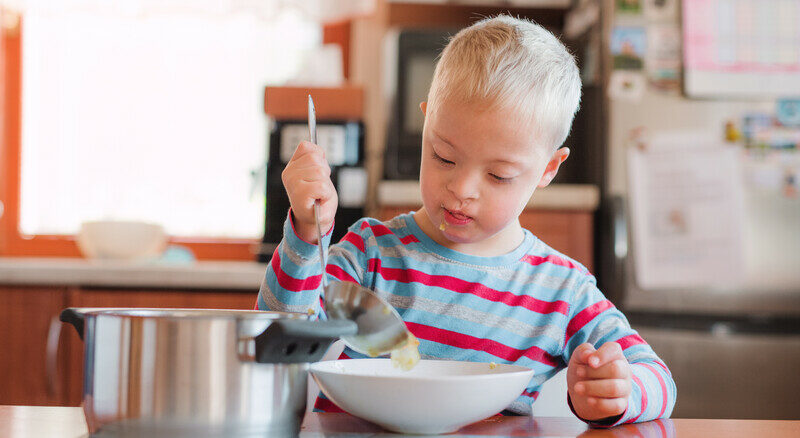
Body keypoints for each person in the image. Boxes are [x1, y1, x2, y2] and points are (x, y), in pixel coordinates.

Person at [258, 15, 676, 426]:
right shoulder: (370, 254)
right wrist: (306, 232)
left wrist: (617, 392)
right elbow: (282, 337)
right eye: (443, 156)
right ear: (426, 124)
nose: (462, 189)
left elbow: (657, 379)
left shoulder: (561, 290)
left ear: (548, 168)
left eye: (498, 175)